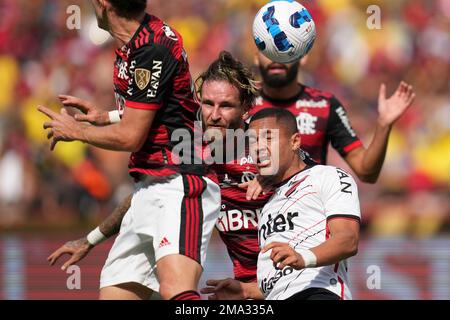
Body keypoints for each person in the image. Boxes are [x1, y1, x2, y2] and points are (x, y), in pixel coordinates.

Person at [48, 51, 273, 294]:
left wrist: (271, 179)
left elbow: (313, 190)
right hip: (241, 284)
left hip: (283, 280)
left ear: (246, 108)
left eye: (226, 106)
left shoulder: (267, 147)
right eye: (208, 104)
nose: (214, 115)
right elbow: (149, 195)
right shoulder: (188, 145)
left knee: (176, 289)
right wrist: (89, 240)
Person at [40, 0, 221, 300]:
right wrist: (107, 116)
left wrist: (79, 131)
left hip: (181, 183)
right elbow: (169, 109)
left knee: (177, 292)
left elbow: (131, 137)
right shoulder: (141, 41)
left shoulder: (152, 49)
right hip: (150, 187)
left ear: (103, 4)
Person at [202, 108, 361, 300]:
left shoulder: (328, 176)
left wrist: (303, 258)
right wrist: (246, 291)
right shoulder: (268, 204)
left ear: (295, 142)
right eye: (252, 141)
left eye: (268, 138)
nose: (259, 148)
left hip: (319, 292)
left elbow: (348, 240)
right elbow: (283, 282)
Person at [251, 52, 416, 183]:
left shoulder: (324, 105)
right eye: (267, 49)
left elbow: (366, 172)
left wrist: (383, 125)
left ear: (303, 56)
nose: (276, 57)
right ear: (256, 57)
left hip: (306, 218)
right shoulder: (239, 103)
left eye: (283, 49)